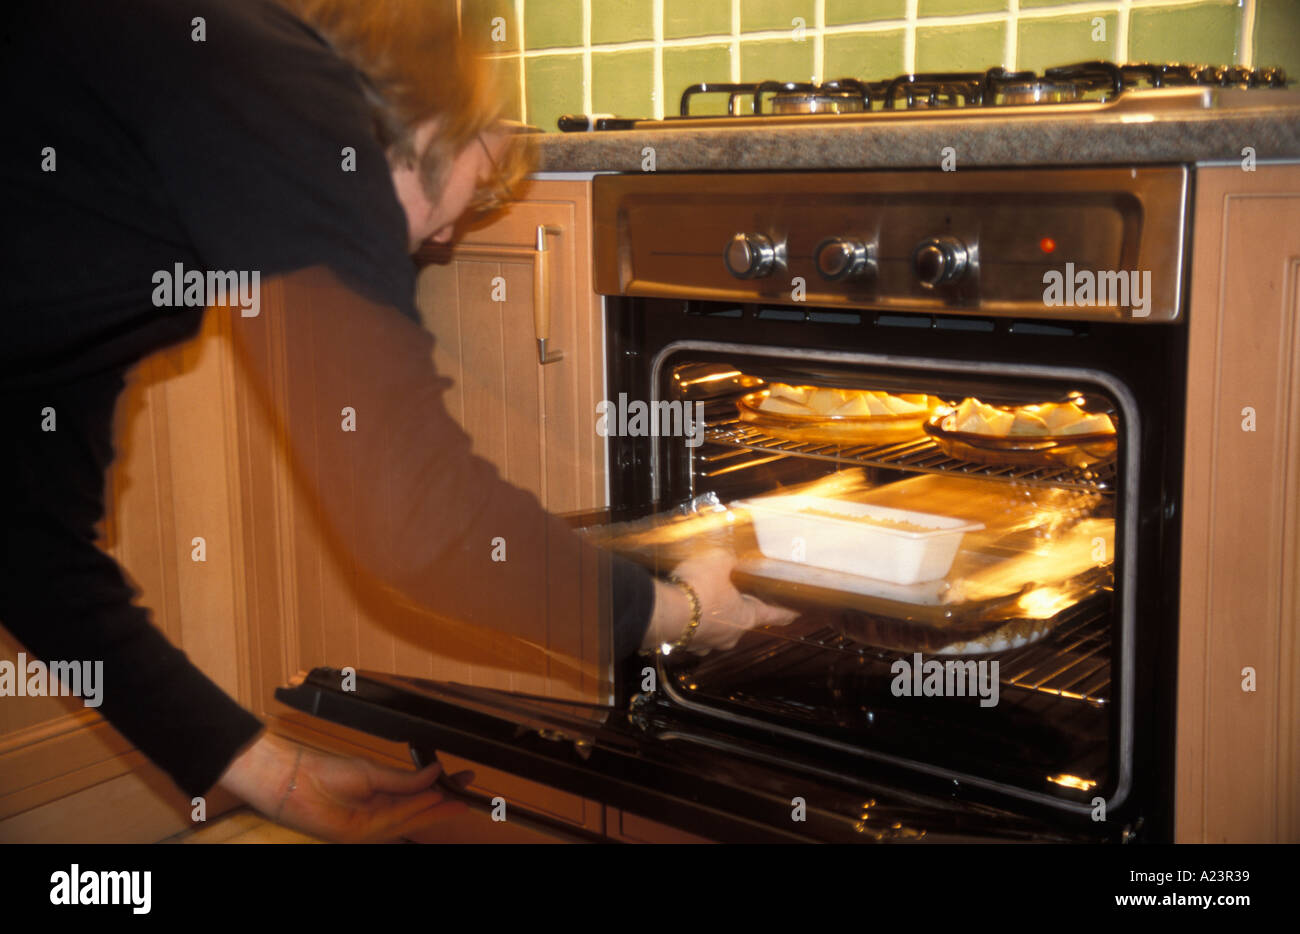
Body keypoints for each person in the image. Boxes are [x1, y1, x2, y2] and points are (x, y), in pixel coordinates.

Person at [0, 0, 793, 843]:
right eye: (486, 174)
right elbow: (415, 516)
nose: (449, 236)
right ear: (435, 115)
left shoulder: (127, 198)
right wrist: (685, 612)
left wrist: (274, 773)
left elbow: (26, 547)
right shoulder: (285, 89)